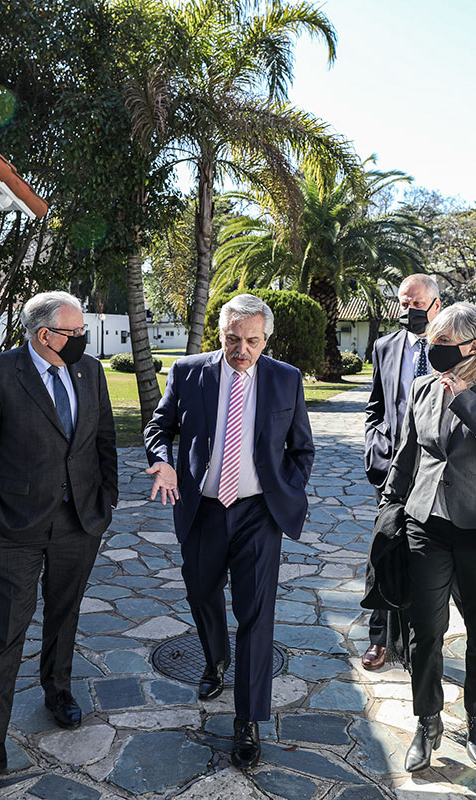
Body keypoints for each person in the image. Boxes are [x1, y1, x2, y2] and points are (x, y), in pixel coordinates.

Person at [143, 294, 315, 769]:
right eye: (233, 339)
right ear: (220, 334)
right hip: (204, 509)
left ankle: (248, 720)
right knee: (201, 591)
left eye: (252, 341)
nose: (242, 349)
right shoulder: (189, 371)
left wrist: (286, 490)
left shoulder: (286, 379)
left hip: (259, 514)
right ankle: (216, 658)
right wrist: (162, 462)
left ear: (266, 339)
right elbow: (160, 427)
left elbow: (302, 448)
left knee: (257, 615)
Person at [0, 291, 118, 779]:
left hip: (79, 522)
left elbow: (104, 437)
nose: (82, 339)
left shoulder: (91, 372)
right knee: (7, 632)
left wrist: (105, 499)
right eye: (74, 332)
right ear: (45, 335)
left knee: (64, 615)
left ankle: (58, 691)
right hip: (11, 528)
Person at [381, 302, 476, 772]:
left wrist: (465, 397)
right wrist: (390, 508)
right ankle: (427, 723)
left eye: (442, 344)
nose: (431, 349)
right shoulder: (421, 388)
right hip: (427, 525)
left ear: (474, 346)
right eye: (431, 342)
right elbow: (408, 455)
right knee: (425, 631)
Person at [361, 273, 442, 670]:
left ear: (435, 306)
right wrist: (373, 452)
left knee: (424, 558)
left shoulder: (449, 347)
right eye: (403, 303)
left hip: (435, 474)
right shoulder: (384, 346)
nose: (407, 311)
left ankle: (415, 641)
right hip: (391, 470)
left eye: (416, 304)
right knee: (384, 549)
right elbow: (375, 405)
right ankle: (379, 639)